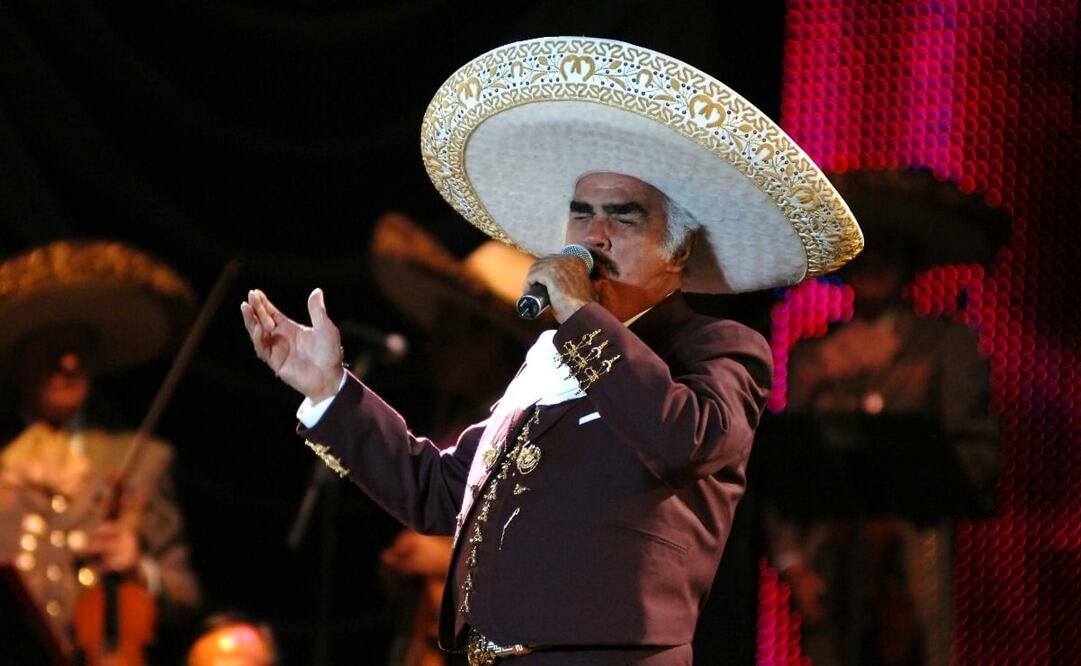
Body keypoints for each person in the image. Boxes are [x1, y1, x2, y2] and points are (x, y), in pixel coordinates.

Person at [241, 37, 862, 664]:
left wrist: (580, 316)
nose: (593, 236)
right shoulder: (552, 360)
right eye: (581, 214)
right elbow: (442, 490)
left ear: (676, 253)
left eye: (623, 218)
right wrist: (329, 390)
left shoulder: (718, 347)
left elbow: (683, 439)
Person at [764, 170, 1004, 665]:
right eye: (862, 257)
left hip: (912, 563)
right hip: (831, 565)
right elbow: (785, 471)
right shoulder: (816, 356)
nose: (873, 268)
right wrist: (793, 564)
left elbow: (975, 455)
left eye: (887, 256)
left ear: (907, 265)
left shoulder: (944, 347)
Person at [0, 240, 202, 662]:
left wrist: (139, 568)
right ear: (21, 361)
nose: (69, 365)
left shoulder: (141, 459)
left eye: (80, 351)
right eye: (53, 351)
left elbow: (184, 593)